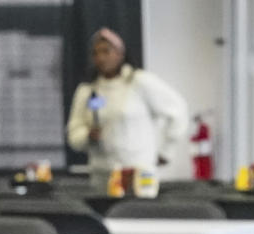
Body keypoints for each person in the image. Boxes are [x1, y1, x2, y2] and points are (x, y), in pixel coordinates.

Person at [66, 27, 188, 189]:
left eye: (106, 51)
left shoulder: (139, 82)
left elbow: (178, 110)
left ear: (120, 54)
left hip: (138, 174)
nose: (101, 58)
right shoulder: (87, 90)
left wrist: (166, 151)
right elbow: (73, 132)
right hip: (102, 174)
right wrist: (87, 136)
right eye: (96, 53)